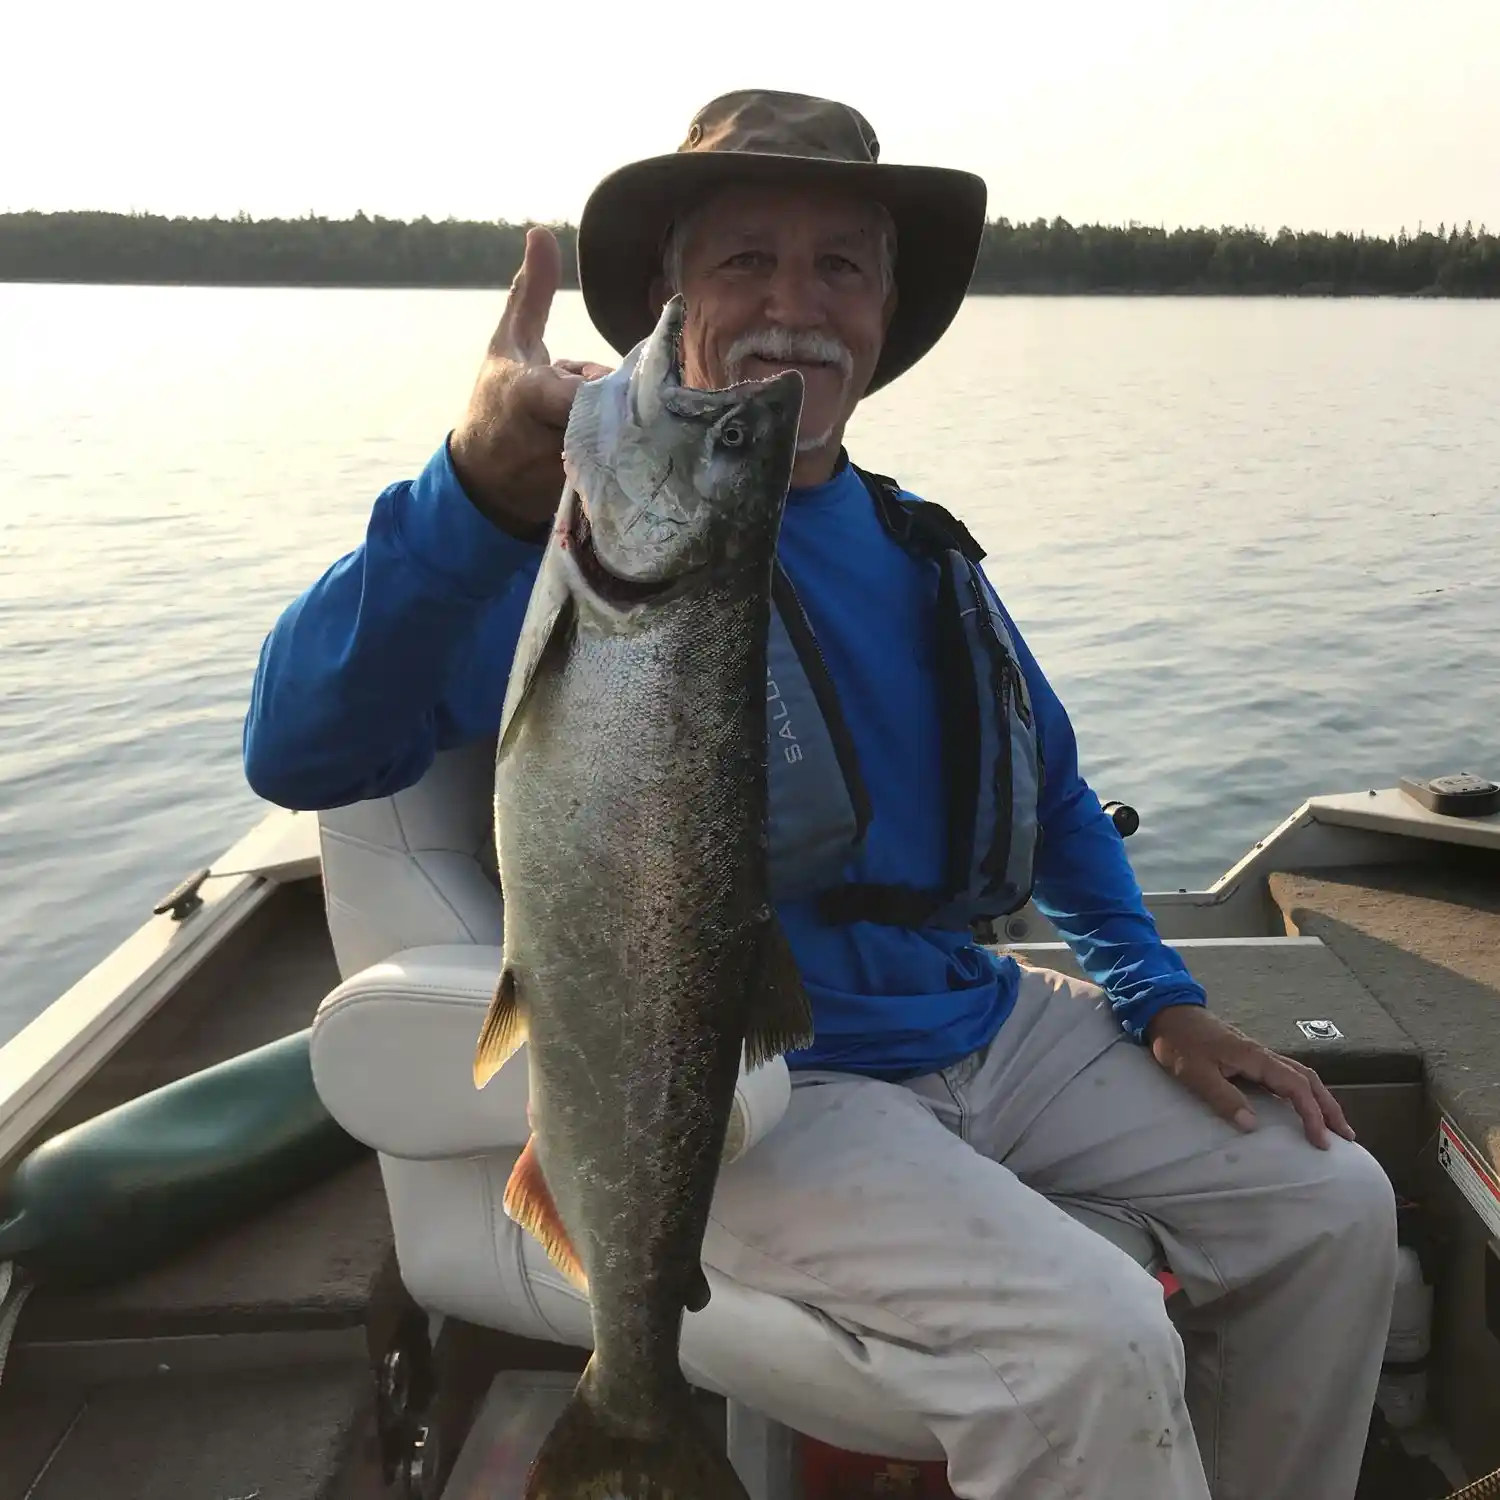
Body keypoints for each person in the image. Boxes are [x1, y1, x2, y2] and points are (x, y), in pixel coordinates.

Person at [243, 89, 1398, 1500]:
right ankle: (639, 1411)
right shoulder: (550, 548)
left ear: (886, 309)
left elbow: (1057, 800)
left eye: (840, 266)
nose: (797, 305)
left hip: (982, 1026)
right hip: (746, 1086)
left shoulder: (927, 552)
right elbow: (296, 748)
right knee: (1087, 1342)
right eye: (746, 262)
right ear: (670, 294)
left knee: (1334, 1201)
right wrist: (469, 492)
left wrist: (1161, 999)